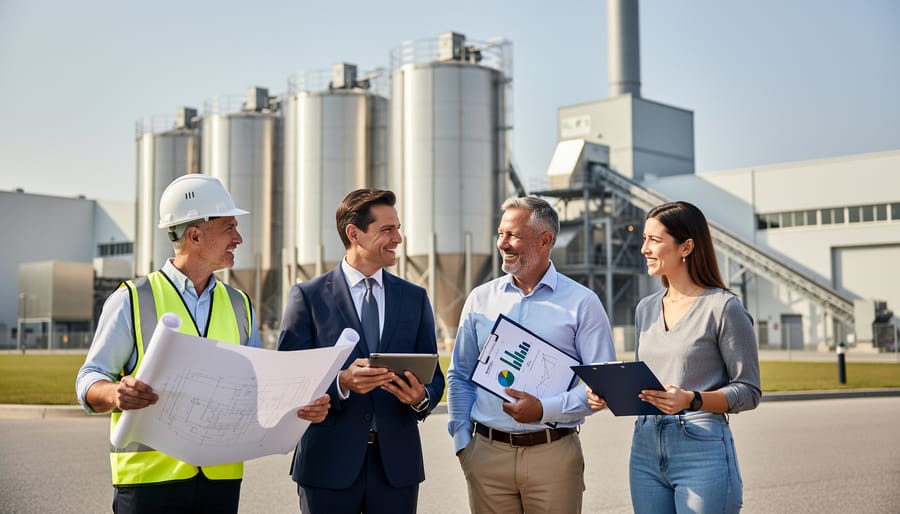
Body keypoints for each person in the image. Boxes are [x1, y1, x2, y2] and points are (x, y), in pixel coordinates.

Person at [76, 174, 330, 514]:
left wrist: (299, 409)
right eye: (229, 228)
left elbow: (259, 389)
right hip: (149, 483)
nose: (239, 238)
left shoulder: (239, 304)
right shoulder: (133, 299)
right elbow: (89, 378)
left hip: (220, 481)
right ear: (195, 235)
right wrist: (114, 393)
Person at [278, 188, 445, 514]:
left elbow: (434, 378)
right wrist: (341, 382)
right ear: (353, 233)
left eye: (397, 228)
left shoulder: (414, 298)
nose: (398, 237)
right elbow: (288, 380)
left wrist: (420, 397)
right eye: (387, 229)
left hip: (397, 468)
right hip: (327, 464)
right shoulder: (308, 297)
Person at [588, 200, 761, 513]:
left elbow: (749, 391)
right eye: (644, 238)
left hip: (700, 447)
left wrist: (692, 399)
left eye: (654, 240)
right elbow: (649, 384)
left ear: (686, 247)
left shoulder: (723, 308)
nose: (644, 249)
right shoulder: (646, 308)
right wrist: (610, 393)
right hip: (644, 447)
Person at [447, 196, 616, 514]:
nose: (503, 244)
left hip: (552, 457)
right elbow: (459, 374)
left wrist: (543, 409)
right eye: (500, 234)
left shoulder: (582, 303)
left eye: (513, 235)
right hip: (486, 457)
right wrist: (462, 441)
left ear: (545, 240)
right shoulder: (480, 299)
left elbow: (601, 387)